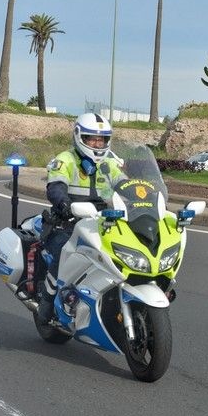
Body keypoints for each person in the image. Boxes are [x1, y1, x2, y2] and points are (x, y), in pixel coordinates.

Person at [37, 113, 125, 323]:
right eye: (92, 138)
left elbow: (125, 184)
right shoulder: (65, 159)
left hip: (101, 221)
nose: (97, 143)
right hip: (68, 221)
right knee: (62, 253)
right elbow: (55, 188)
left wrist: (144, 197)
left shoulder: (109, 163)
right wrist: (64, 204)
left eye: (101, 139)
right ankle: (47, 303)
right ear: (79, 136)